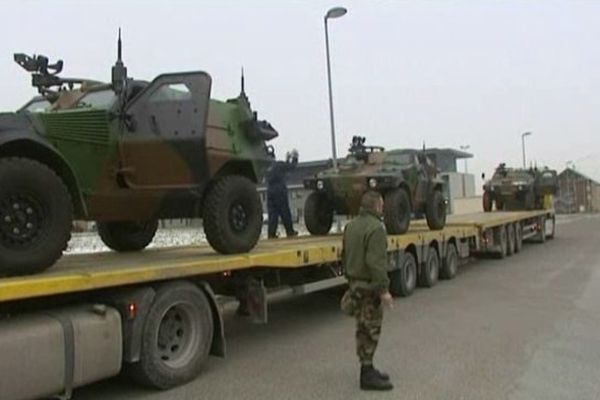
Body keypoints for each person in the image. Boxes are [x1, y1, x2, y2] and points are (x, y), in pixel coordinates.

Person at [341, 190, 394, 391]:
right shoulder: (376, 229)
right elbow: (376, 263)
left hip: (355, 284)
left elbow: (344, 255)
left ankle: (368, 368)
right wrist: (384, 290)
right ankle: (367, 374)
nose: (383, 208)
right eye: (381, 205)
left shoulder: (350, 226)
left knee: (361, 329)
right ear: (376, 206)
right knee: (371, 330)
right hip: (369, 287)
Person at [266, 149, 299, 239]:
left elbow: (284, 168)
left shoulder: (268, 168)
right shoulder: (278, 164)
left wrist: (287, 159)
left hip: (269, 190)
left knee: (273, 214)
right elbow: (291, 167)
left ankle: (271, 234)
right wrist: (295, 157)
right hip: (279, 189)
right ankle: (290, 232)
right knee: (284, 211)